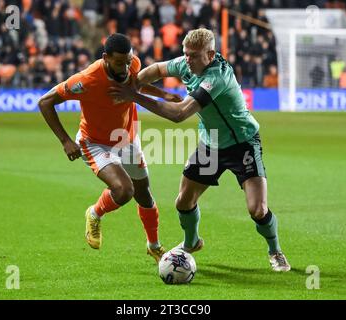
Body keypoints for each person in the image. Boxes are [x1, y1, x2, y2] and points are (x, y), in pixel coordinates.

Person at [109, 28, 291, 272]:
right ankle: (191, 242)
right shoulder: (187, 63)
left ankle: (275, 250)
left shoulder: (216, 77)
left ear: (211, 54)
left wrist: (134, 96)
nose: (188, 60)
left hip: (243, 143)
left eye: (194, 56)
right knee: (184, 201)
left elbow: (180, 113)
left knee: (257, 209)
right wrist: (135, 83)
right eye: (186, 54)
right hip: (212, 142)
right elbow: (157, 70)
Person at [38, 33, 180, 263]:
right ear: (105, 58)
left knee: (144, 195)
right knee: (124, 190)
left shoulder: (131, 63)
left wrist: (164, 94)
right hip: (94, 142)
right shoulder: (86, 80)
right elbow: (45, 102)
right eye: (118, 62)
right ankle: (94, 213)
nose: (125, 67)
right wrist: (65, 141)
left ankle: (153, 246)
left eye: (127, 60)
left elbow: (137, 84)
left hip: (125, 139)